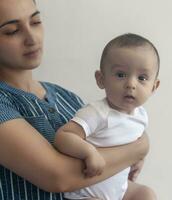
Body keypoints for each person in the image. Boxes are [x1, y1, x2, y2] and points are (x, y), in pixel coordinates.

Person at [0, 1, 150, 200]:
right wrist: (138, 148)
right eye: (12, 31)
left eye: (35, 22)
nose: (31, 38)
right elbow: (58, 177)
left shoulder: (65, 96)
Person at [54, 33, 160, 200]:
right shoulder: (97, 112)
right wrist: (89, 152)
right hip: (84, 194)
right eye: (120, 75)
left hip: (117, 191)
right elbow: (63, 136)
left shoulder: (141, 116)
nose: (131, 84)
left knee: (146, 194)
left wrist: (139, 158)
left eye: (142, 78)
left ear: (154, 87)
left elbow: (134, 141)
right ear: (101, 79)